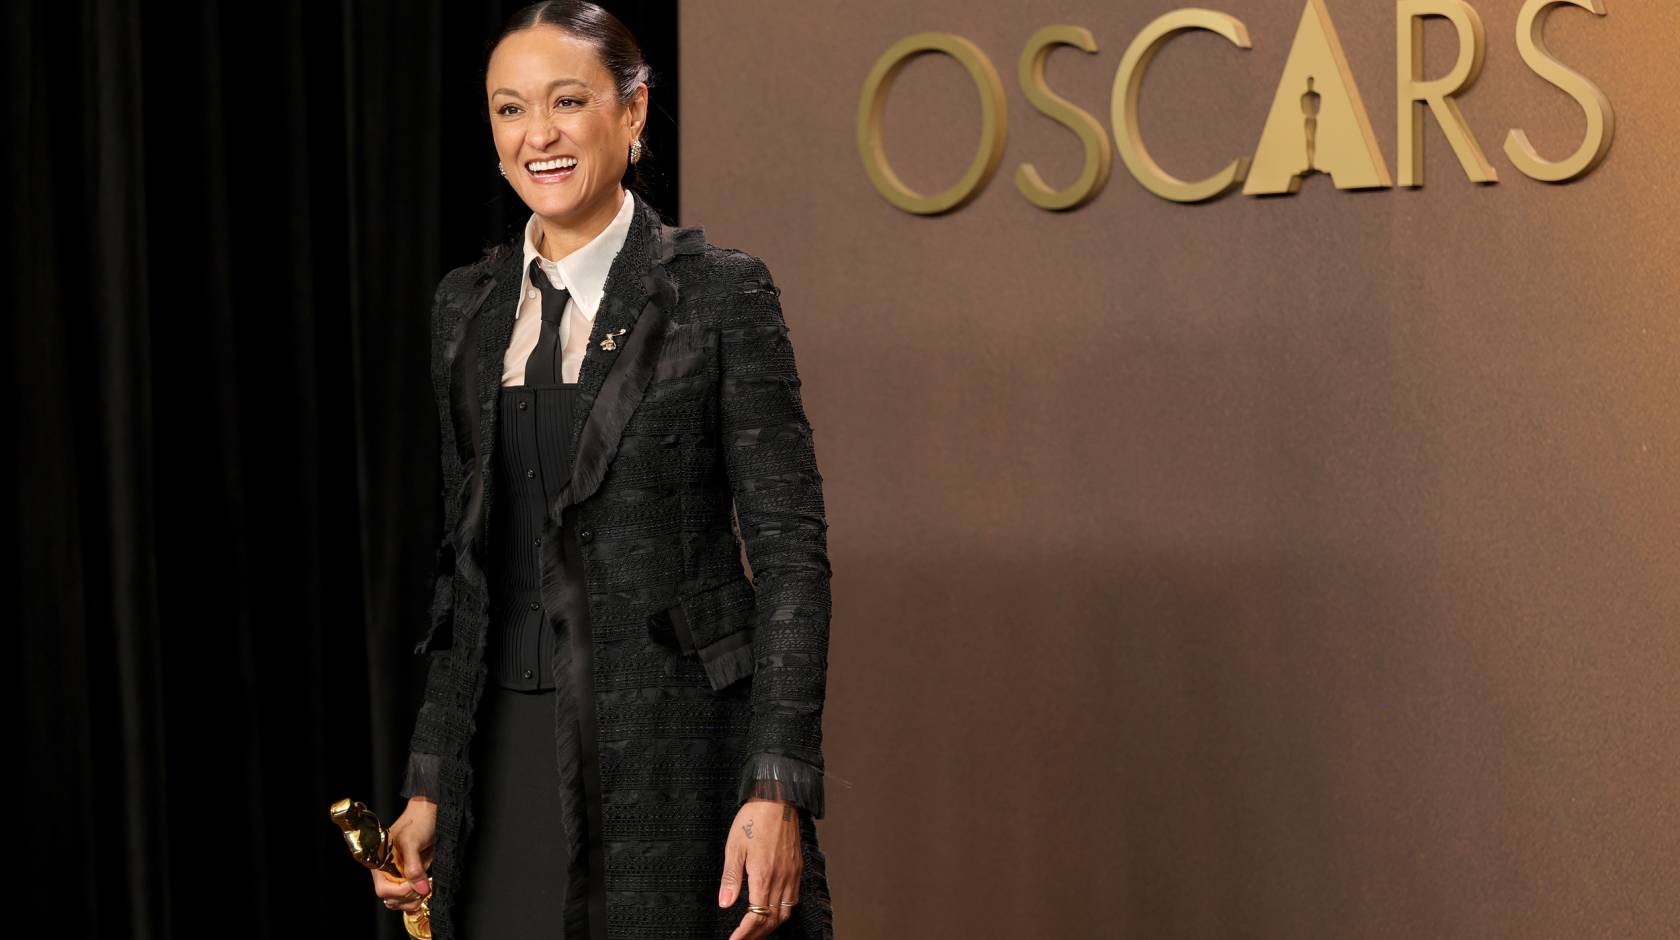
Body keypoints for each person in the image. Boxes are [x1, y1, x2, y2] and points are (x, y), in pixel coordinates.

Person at [367, 3, 836, 938]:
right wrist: (428, 783)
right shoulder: (465, 309)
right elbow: (466, 573)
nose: (536, 134)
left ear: (633, 113)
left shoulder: (719, 294)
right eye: (509, 109)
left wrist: (778, 783)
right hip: (497, 762)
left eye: (567, 100)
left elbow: (791, 559)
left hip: (675, 756)